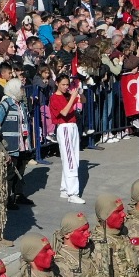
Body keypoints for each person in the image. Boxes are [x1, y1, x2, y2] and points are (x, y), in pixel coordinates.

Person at [49, 74, 86, 204]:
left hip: (73, 126)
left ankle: (65, 189)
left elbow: (84, 101)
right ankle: (73, 193)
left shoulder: (67, 95)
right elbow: (64, 112)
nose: (65, 87)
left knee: (72, 158)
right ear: (57, 84)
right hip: (64, 127)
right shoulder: (54, 98)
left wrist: (79, 93)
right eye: (63, 84)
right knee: (70, 160)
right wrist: (72, 98)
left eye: (67, 84)